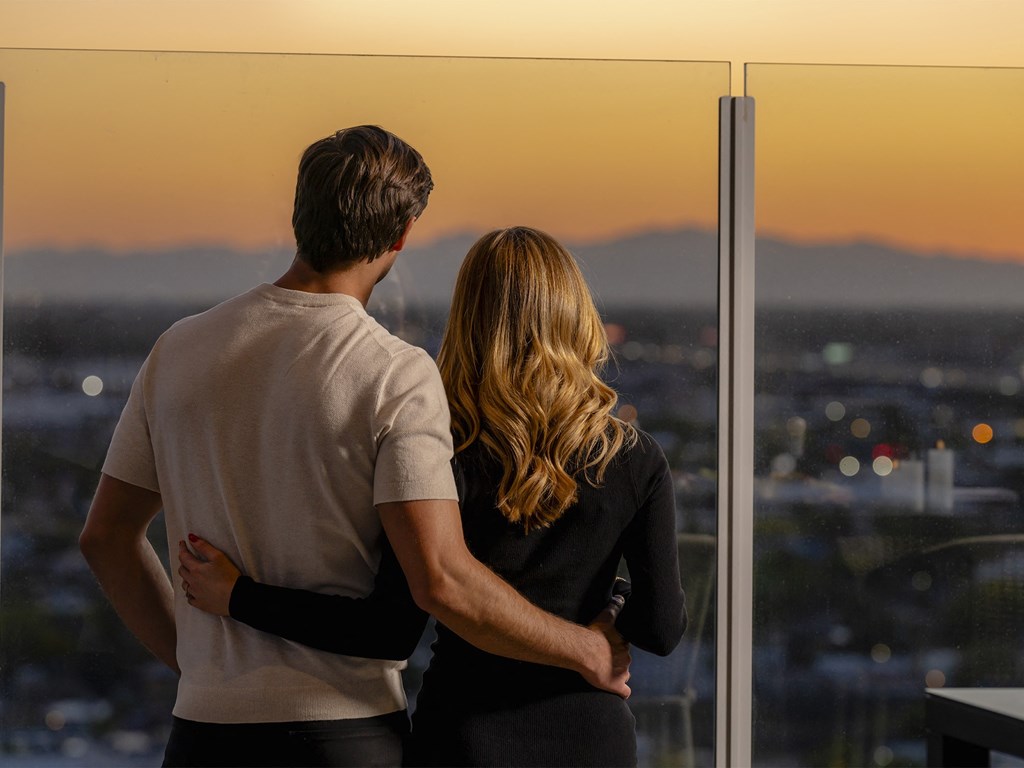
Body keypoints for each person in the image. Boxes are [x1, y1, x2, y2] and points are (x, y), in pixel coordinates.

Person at [79, 130, 629, 768]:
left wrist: (199, 664)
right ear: (401, 236)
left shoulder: (178, 350)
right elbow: (442, 581)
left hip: (203, 734)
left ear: (298, 216)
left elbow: (106, 538)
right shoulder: (394, 373)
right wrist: (588, 649)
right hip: (342, 737)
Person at [178, 226, 688, 767]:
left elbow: (386, 631)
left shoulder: (440, 451)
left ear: (470, 322)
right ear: (577, 315)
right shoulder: (635, 459)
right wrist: (610, 604)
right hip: (593, 738)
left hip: (466, 738)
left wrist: (240, 595)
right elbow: (660, 629)